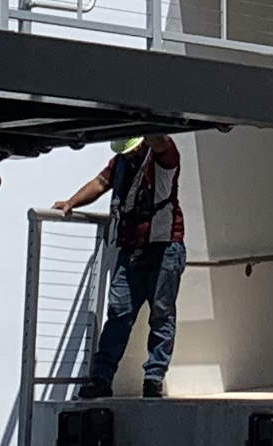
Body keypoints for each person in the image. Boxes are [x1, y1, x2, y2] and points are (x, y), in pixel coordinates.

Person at [53, 132, 186, 401]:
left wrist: (147, 121)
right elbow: (101, 182)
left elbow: (162, 141)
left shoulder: (163, 156)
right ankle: (101, 379)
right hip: (130, 249)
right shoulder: (121, 163)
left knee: (161, 315)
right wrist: (71, 203)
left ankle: (153, 378)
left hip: (163, 248)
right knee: (118, 313)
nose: (128, 154)